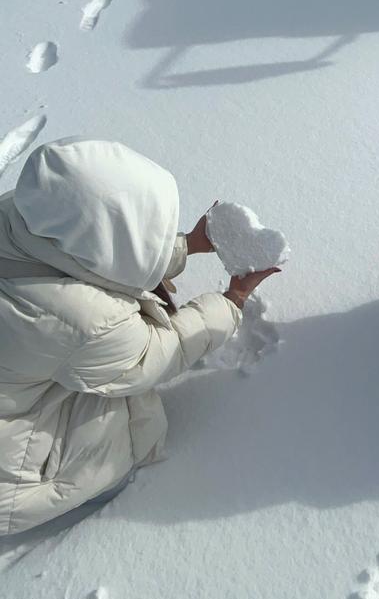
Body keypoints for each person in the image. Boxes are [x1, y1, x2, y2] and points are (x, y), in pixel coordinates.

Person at [0, 139, 280, 535]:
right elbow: (153, 356)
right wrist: (231, 301)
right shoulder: (80, 320)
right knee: (122, 411)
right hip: (12, 479)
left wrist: (187, 245)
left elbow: (93, 245)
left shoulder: (21, 213)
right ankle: (103, 490)